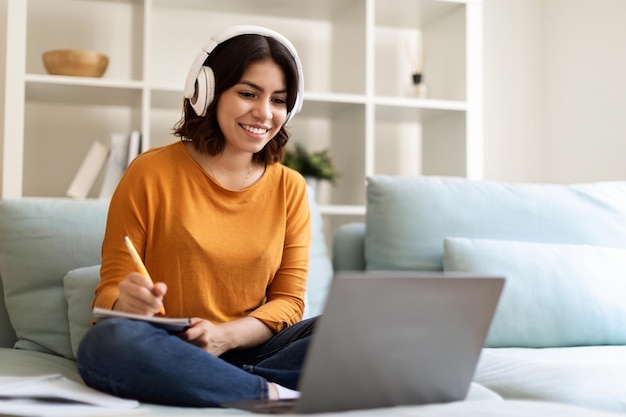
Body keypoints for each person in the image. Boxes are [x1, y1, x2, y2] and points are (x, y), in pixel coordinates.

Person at [76, 25, 316, 407]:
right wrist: (127, 302)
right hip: (172, 348)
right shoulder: (149, 172)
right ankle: (270, 394)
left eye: (278, 100)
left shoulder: (290, 187)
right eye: (248, 93)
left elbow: (288, 303)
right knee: (106, 343)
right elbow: (110, 291)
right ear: (207, 92)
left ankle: (228, 384)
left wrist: (225, 336)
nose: (264, 113)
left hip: (255, 348)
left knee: (347, 330)